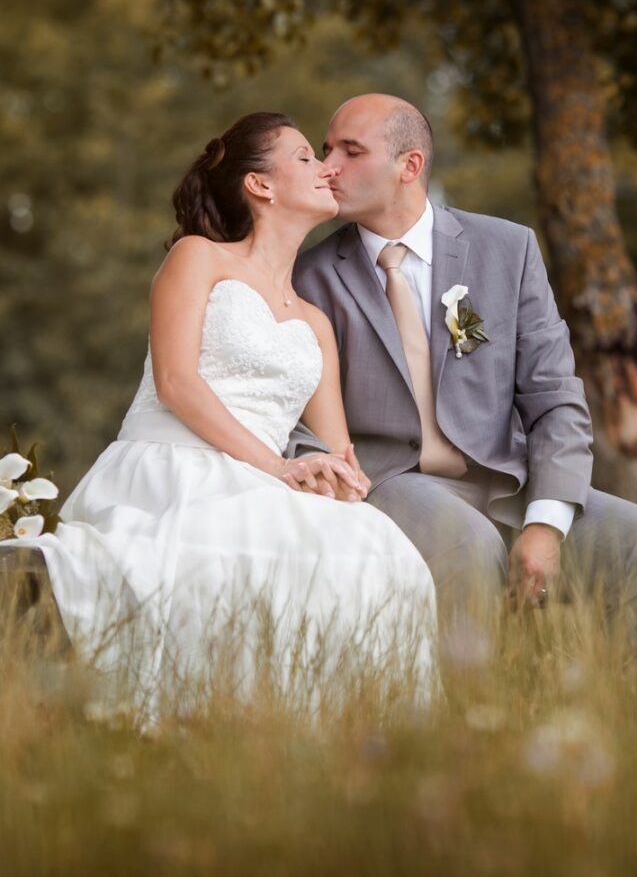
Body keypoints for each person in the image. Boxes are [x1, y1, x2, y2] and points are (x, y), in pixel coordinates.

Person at [0, 112, 441, 715]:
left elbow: (337, 448)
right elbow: (176, 382)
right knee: (213, 557)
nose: (327, 168)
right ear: (260, 185)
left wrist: (341, 478)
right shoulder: (199, 259)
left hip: (261, 481)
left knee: (383, 555)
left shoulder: (316, 323)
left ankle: (331, 734)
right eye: (307, 157)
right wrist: (278, 469)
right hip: (171, 466)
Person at [290, 93, 637, 642]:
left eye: (351, 151)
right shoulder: (310, 273)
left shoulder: (508, 249)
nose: (327, 166)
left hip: (510, 479)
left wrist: (547, 524)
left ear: (410, 166)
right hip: (393, 481)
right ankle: (478, 717)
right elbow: (298, 414)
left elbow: (555, 400)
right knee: (469, 545)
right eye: (325, 148)